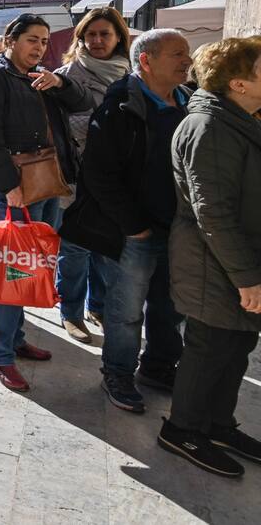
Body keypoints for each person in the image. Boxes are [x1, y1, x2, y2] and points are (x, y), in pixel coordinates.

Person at [57, 29, 191, 413]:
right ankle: (118, 372)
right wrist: (134, 226)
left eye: (187, 53)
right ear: (146, 61)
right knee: (126, 309)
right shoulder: (120, 106)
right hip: (135, 231)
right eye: (176, 54)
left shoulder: (186, 100)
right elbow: (99, 175)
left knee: (169, 306)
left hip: (175, 228)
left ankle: (159, 366)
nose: (186, 60)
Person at [0, 13, 93, 391]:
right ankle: (0, 355)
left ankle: (16, 339)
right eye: (31, 40)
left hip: (46, 182)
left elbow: (82, 102)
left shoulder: (41, 77)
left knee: (32, 264)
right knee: (14, 269)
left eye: (43, 41)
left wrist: (59, 82)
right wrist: (8, 187)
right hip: (16, 187)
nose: (39, 47)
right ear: (11, 40)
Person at [157, 36, 261, 477]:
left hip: (236, 261)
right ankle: (181, 429)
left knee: (237, 344)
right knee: (210, 347)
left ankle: (217, 424)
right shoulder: (210, 128)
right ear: (238, 83)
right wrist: (246, 277)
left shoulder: (238, 119)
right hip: (214, 263)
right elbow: (212, 211)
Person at [51, 8, 134, 343]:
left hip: (116, 179)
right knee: (74, 250)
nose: (98, 41)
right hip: (75, 177)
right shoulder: (66, 74)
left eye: (105, 34)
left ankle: (96, 305)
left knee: (108, 247)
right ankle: (70, 312)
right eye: (91, 35)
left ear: (118, 39)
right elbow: (58, 126)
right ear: (81, 38)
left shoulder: (131, 74)